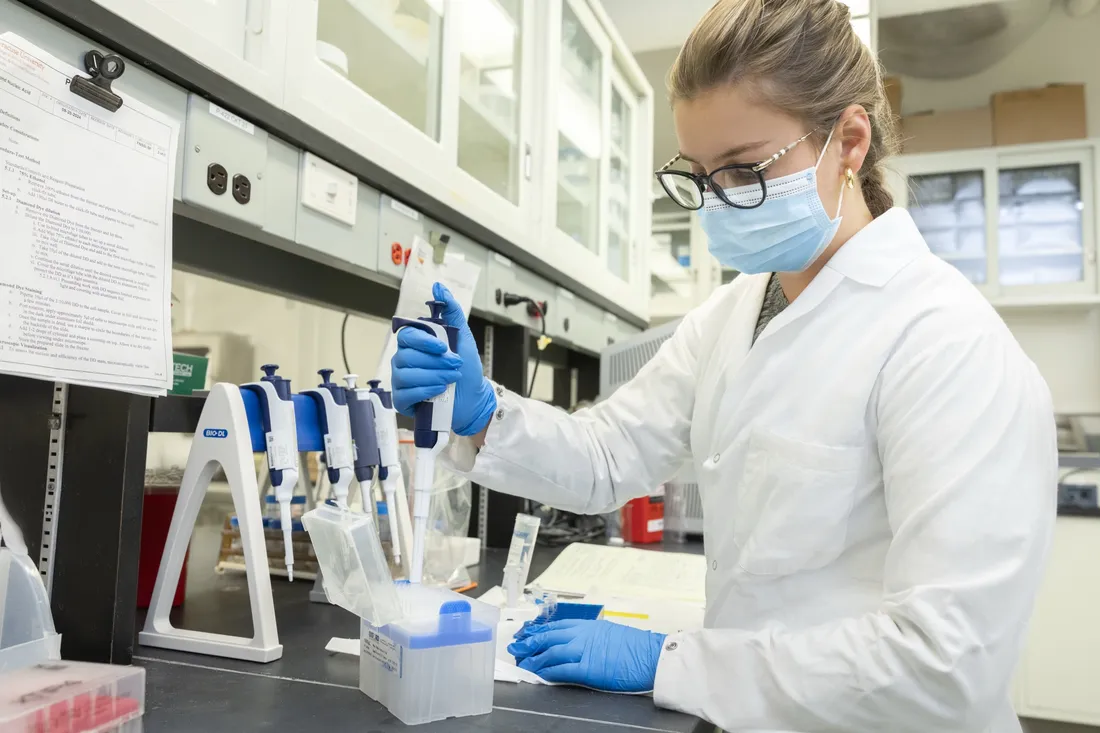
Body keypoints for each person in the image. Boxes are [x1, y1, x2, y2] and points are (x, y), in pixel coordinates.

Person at [390, 0, 1057, 729]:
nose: (721, 202)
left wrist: (673, 661)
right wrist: (483, 411)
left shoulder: (946, 343)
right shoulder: (734, 313)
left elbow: (947, 661)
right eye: (701, 175)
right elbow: (611, 453)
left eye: (745, 170)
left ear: (850, 141)